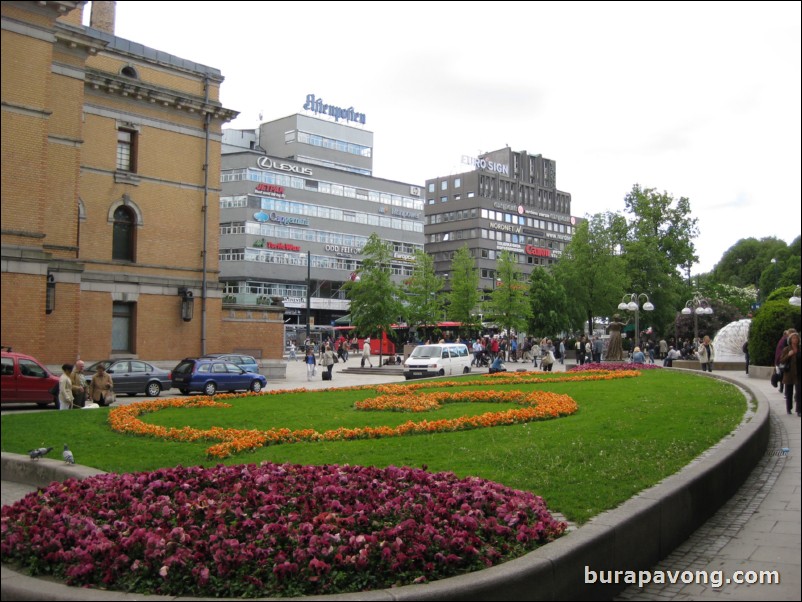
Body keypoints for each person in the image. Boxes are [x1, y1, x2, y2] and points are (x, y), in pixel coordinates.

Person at [779, 331, 800, 416]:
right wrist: (788, 355)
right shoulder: (786, 349)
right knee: (789, 392)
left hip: (799, 373)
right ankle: (789, 408)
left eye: (796, 338)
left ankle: (799, 410)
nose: (795, 340)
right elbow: (781, 360)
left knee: (799, 392)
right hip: (789, 373)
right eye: (793, 338)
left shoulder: (800, 348)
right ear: (790, 340)